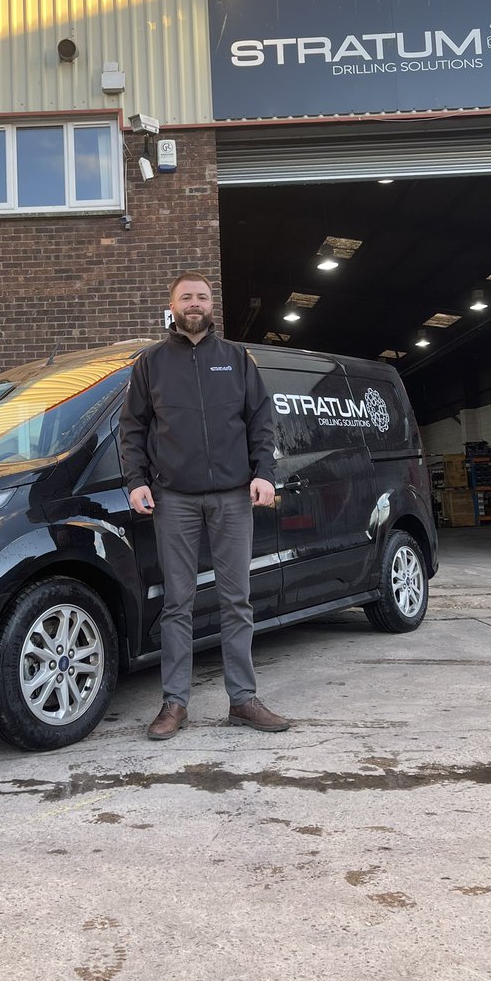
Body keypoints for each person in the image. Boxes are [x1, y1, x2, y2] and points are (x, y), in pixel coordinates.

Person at [119, 271, 291, 740]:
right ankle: (174, 703)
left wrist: (264, 474)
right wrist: (136, 481)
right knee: (178, 603)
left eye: (202, 296)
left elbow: (261, 421)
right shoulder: (150, 363)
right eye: (185, 297)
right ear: (171, 306)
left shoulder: (236, 358)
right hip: (173, 499)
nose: (194, 303)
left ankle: (243, 699)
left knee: (237, 600)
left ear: (211, 305)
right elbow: (132, 429)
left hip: (234, 497)